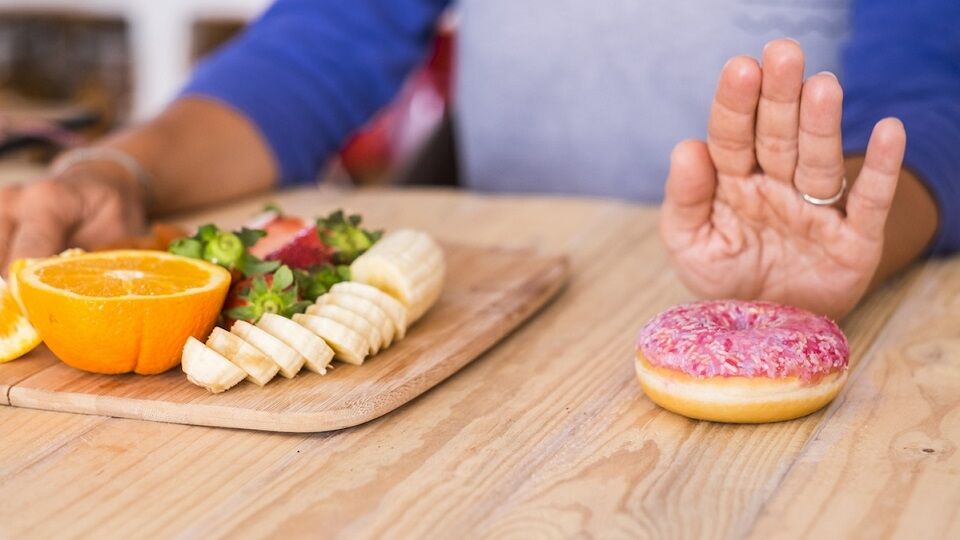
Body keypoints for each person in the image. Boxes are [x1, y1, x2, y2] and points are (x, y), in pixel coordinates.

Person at [0, 0, 957, 319]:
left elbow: (934, 89)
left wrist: (846, 231)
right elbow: (321, 42)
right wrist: (120, 172)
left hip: (830, 303)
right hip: (522, 306)